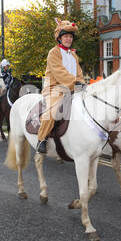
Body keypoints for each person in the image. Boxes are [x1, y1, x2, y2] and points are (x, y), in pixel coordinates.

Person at [36, 18, 86, 154]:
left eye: (70, 37)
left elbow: (79, 73)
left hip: (72, 87)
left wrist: (82, 84)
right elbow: (60, 73)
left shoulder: (73, 55)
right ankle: (42, 139)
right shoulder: (54, 52)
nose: (69, 39)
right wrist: (76, 83)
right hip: (54, 87)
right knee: (53, 110)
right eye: (66, 36)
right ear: (59, 38)